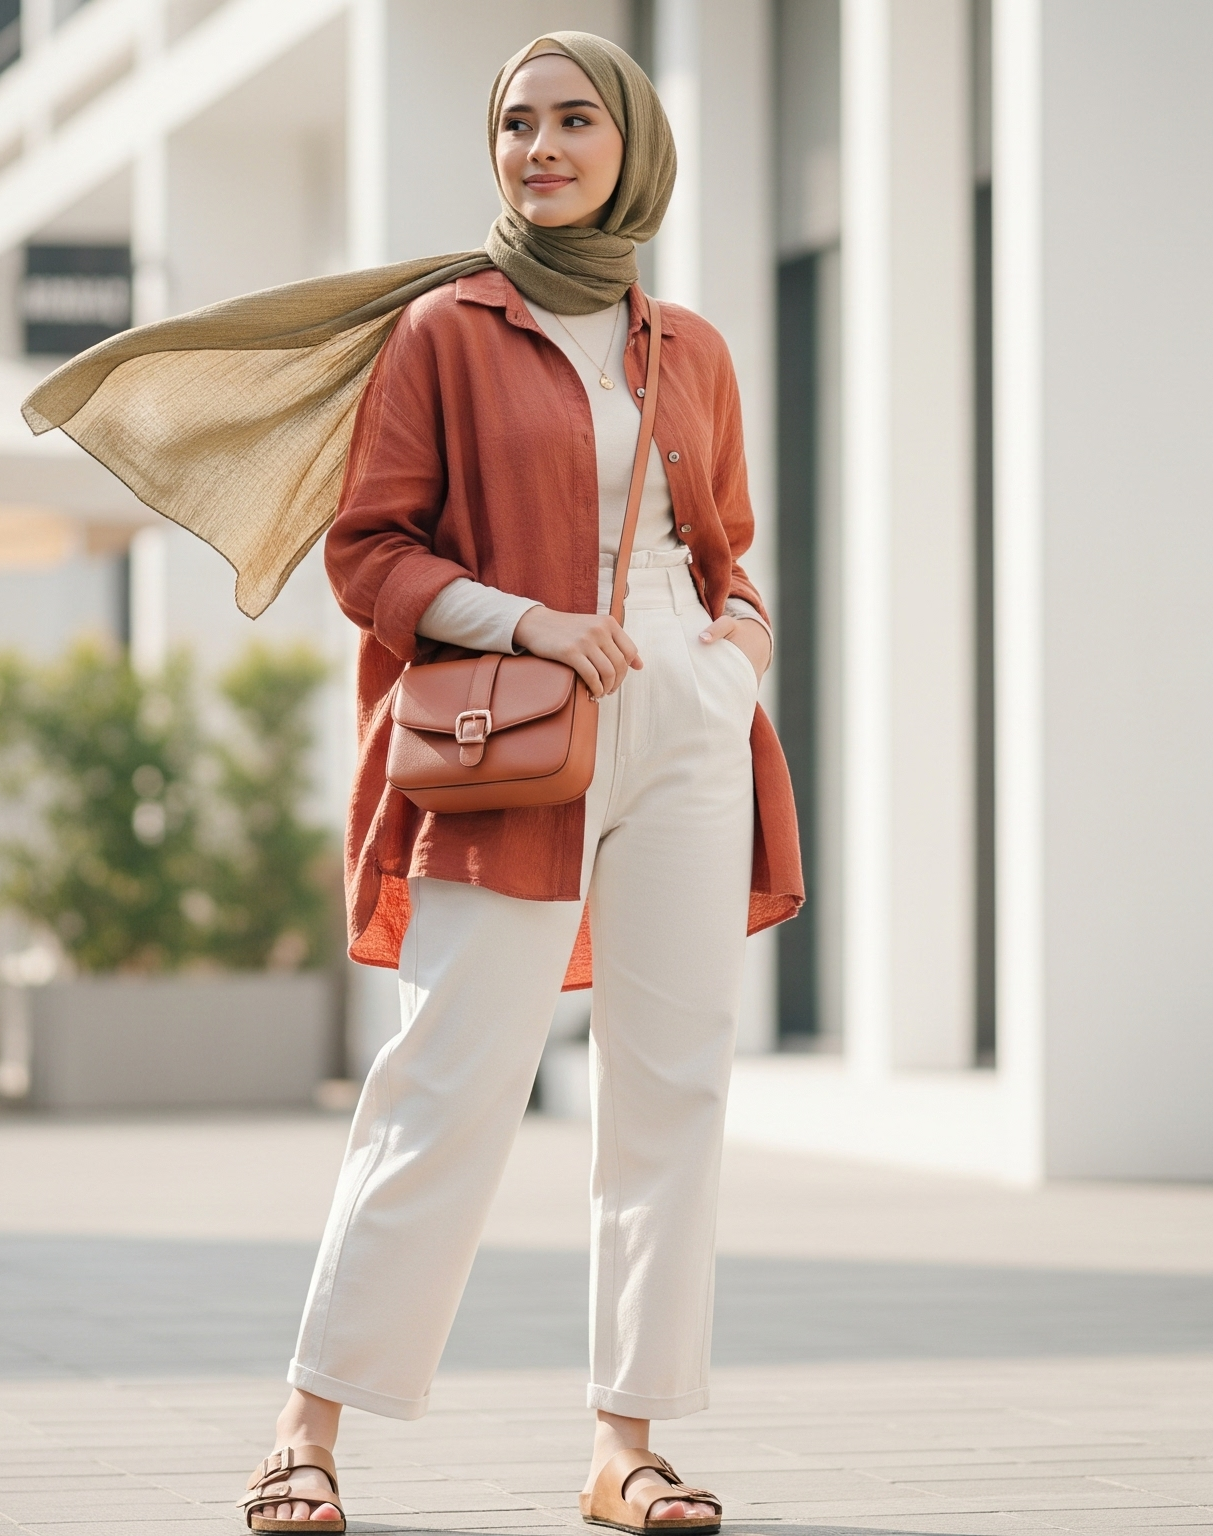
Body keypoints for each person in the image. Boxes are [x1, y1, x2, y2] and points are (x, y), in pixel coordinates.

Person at [233, 31, 803, 1536]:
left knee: (673, 1086)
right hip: (517, 740)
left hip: (685, 725)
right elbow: (371, 551)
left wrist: (734, 656)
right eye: (515, 123)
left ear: (632, 147)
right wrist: (525, 619)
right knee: (449, 1074)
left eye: (571, 121)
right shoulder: (445, 332)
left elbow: (727, 550)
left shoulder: (688, 347)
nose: (540, 147)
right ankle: (309, 1425)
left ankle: (627, 1443)